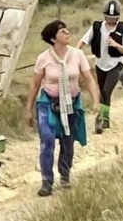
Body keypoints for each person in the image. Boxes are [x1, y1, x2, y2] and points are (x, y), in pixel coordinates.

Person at [25, 19, 100, 197]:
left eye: (67, 30)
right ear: (53, 38)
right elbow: (34, 85)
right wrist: (28, 109)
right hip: (48, 103)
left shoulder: (77, 55)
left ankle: (65, 175)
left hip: (71, 103)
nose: (67, 33)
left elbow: (89, 79)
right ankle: (46, 180)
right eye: (62, 31)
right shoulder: (43, 58)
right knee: (48, 139)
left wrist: (95, 100)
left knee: (68, 141)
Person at [83, 0, 123, 133]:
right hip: (100, 64)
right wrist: (75, 51)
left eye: (114, 18)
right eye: (109, 18)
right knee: (104, 93)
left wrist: (116, 45)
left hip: (116, 64)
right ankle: (106, 119)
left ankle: (100, 119)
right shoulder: (97, 27)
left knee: (106, 91)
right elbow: (84, 40)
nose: (111, 20)